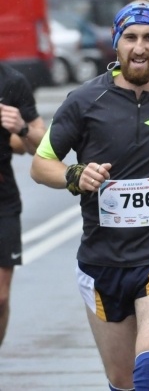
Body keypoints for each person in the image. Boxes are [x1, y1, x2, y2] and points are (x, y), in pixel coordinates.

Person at [30, 0, 149, 390]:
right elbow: (40, 164)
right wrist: (74, 174)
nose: (140, 47)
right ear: (116, 44)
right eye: (131, 37)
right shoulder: (84, 102)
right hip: (102, 261)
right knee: (122, 380)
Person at [0, 65, 45, 350]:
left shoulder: (12, 81)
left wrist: (22, 128)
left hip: (3, 201)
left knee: (1, 299)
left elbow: (44, 143)